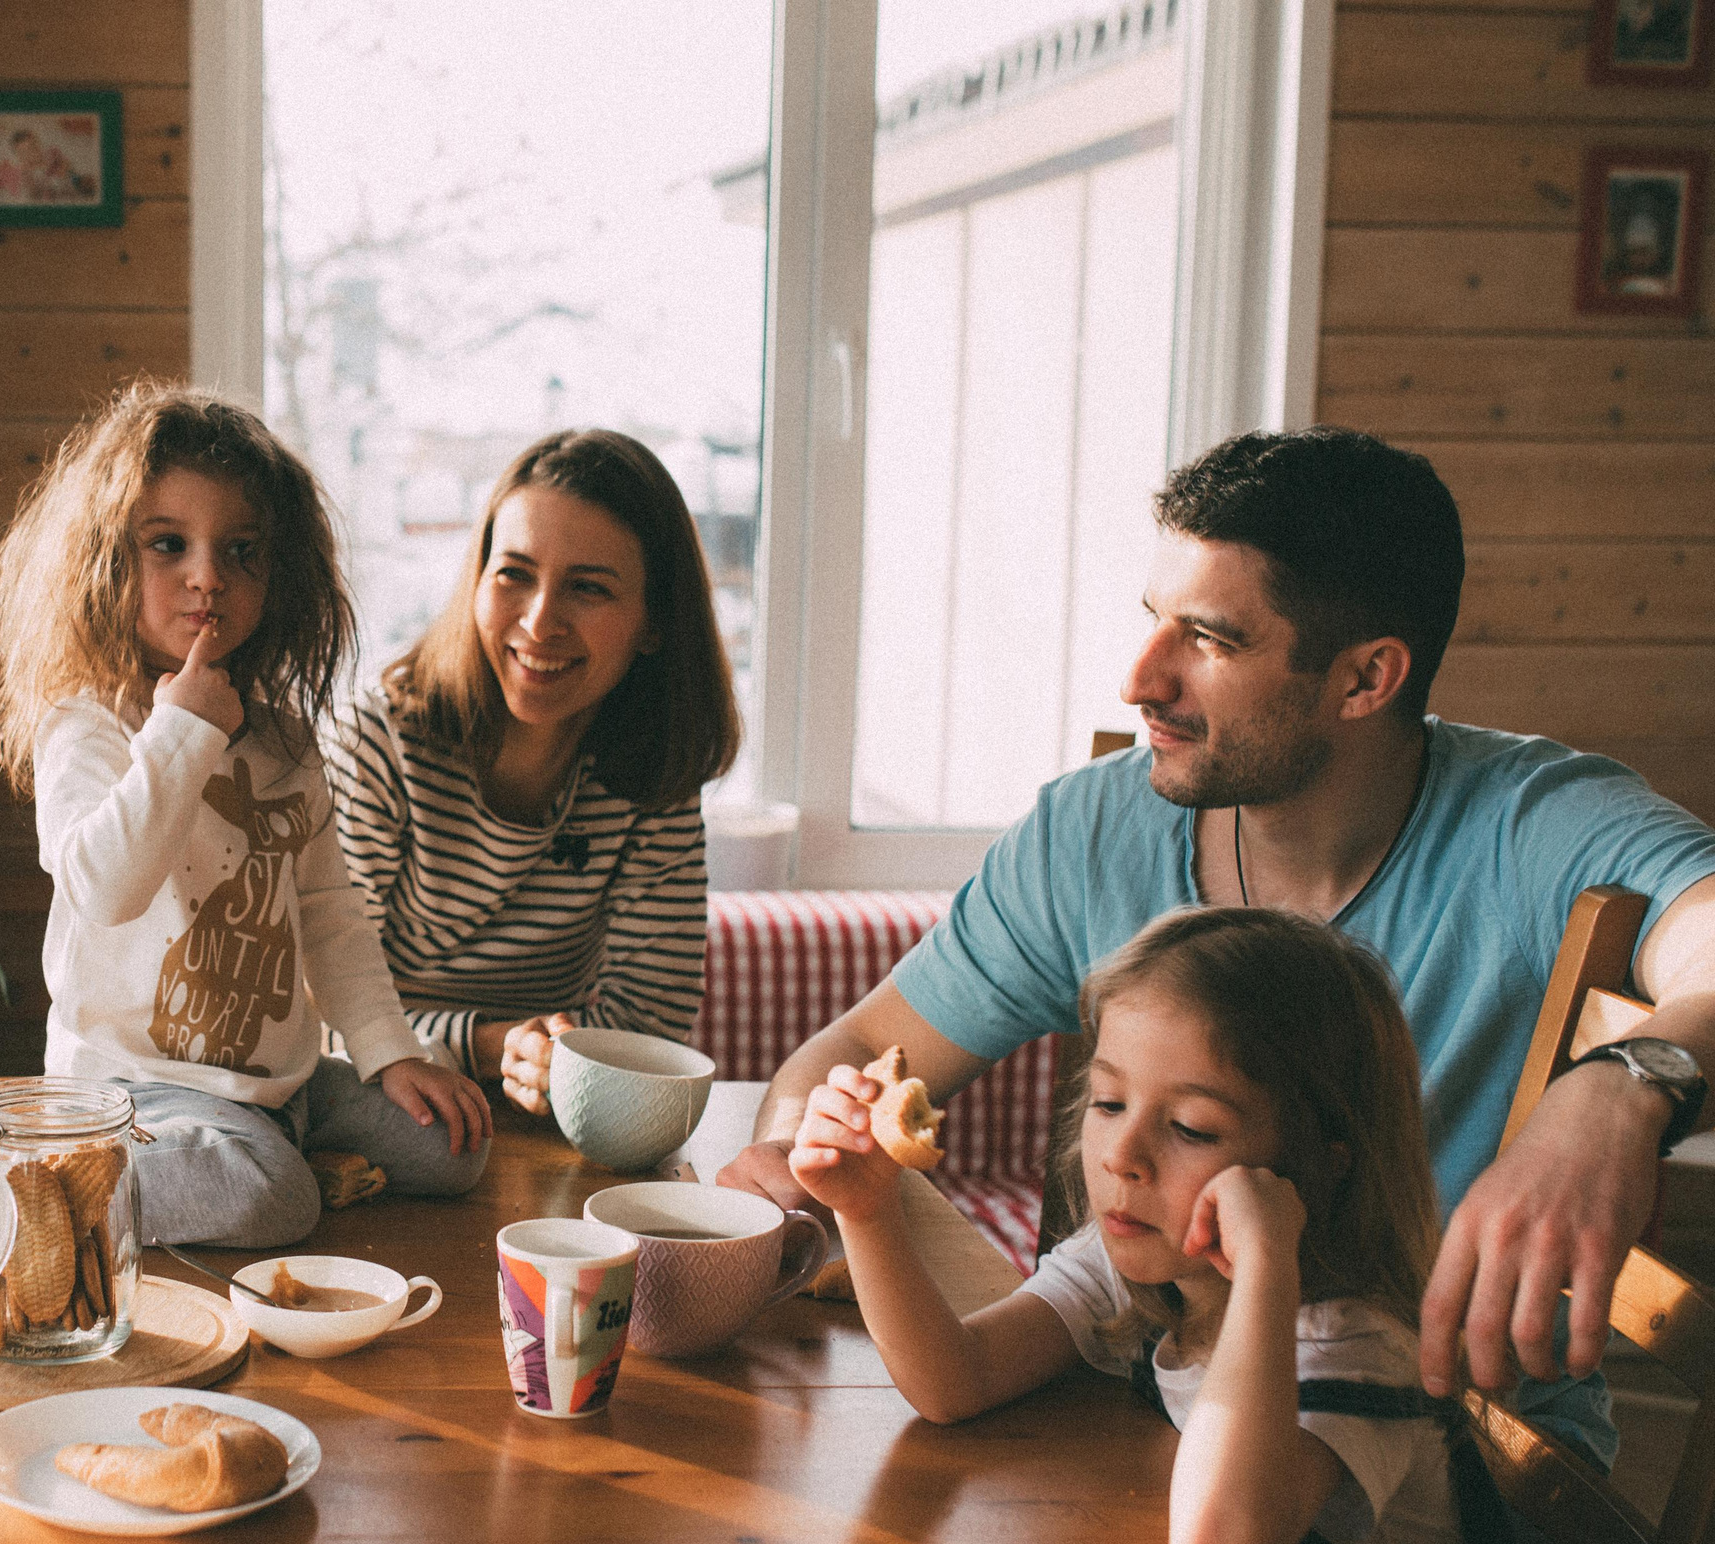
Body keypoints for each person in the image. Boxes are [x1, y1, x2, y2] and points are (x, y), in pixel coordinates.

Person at [719, 427, 1715, 1460]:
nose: (1139, 679)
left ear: (1366, 677)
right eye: (1153, 620)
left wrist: (1622, 1086)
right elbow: (848, 1057)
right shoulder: (1091, 832)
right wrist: (802, 1156)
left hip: (1452, 1486)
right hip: (1156, 1426)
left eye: (1210, 639)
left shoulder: (1533, 823)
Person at [791, 910, 1481, 1544]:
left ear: (1317, 1168)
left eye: (1190, 1127)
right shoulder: (1138, 1261)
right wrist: (867, 1210)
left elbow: (1215, 1541)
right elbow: (956, 1378)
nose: (1122, 1155)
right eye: (1110, 1103)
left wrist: (1264, 1269)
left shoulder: (1356, 1343)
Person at [0, 382, 490, 1247]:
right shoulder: (86, 722)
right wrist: (184, 731)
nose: (209, 575)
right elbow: (105, 888)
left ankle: (255, 1151)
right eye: (168, 544)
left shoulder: (282, 738)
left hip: (283, 1081)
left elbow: (328, 913)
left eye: (242, 550)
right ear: (105, 561)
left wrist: (389, 1048)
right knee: (271, 1200)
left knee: (452, 1150)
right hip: (138, 1086)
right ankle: (4, 1193)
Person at [328, 429, 740, 1117]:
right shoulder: (378, 743)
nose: (540, 620)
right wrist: (491, 1047)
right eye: (514, 574)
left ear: (654, 623)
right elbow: (319, 1015)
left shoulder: (653, 773)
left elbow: (649, 1029)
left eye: (588, 588)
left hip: (562, 1123)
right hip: (377, 1109)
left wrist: (546, 1060)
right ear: (478, 580)